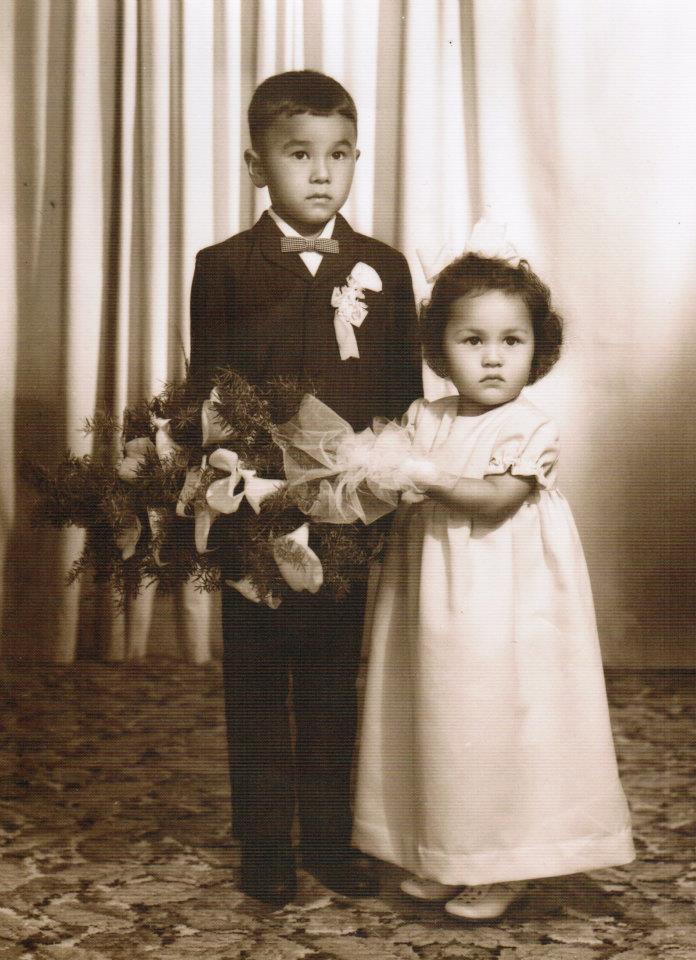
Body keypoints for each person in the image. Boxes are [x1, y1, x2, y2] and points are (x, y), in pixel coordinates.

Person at [187, 70, 422, 907]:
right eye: (299, 154)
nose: (323, 173)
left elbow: (401, 396)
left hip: (349, 511)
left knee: (331, 678)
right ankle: (264, 844)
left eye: (340, 154)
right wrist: (236, 489)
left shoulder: (384, 267)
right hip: (256, 508)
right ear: (257, 166)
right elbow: (210, 394)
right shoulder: (223, 267)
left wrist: (384, 489)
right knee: (256, 679)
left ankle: (327, 837)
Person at [351, 252, 636, 920]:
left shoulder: (527, 427)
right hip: (433, 592)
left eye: (512, 341)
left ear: (538, 349)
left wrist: (427, 478)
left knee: (492, 713)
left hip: (502, 596)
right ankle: (446, 852)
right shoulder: (426, 418)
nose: (492, 359)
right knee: (437, 713)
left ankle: (505, 861)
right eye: (471, 340)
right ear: (439, 349)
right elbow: (395, 488)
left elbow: (495, 501)